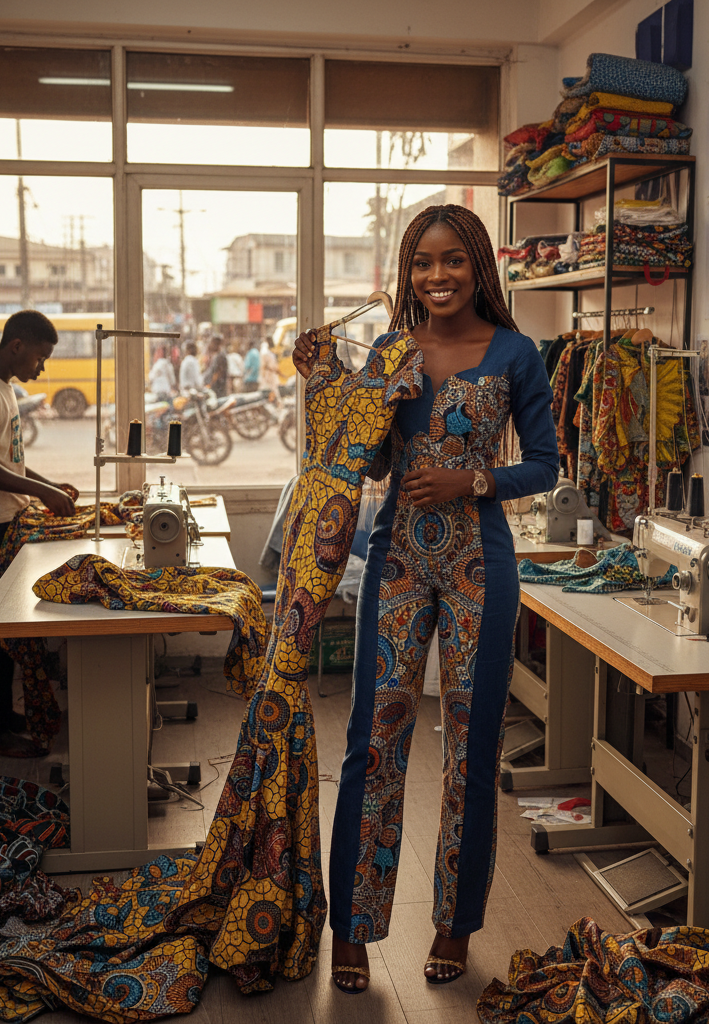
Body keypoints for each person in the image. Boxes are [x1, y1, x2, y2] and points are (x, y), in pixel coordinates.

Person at [293, 205, 559, 994]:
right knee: (372, 745)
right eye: (421, 264)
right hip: (399, 560)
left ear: (479, 266)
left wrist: (471, 479)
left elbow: (544, 466)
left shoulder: (517, 354)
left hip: (482, 565)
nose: (436, 277)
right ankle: (354, 925)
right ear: (405, 274)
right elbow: (366, 464)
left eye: (452, 262)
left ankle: (455, 922)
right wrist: (330, 383)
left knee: (473, 752)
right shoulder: (390, 349)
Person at [0, 310, 78, 758]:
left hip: (2, 516)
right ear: (17, 346)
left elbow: (7, 461)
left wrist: (47, 485)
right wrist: (41, 490)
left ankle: (2, 716)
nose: (41, 368)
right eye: (41, 358)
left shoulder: (3, 388)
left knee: (6, 625)